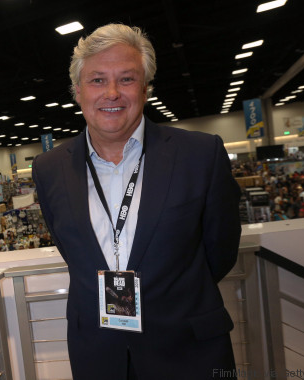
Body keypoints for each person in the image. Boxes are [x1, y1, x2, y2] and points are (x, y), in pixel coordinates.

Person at [32, 24, 241, 379]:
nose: (111, 93)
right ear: (78, 91)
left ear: (145, 89)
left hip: (189, 349)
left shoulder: (200, 155)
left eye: (126, 79)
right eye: (97, 80)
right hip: (97, 355)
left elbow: (220, 251)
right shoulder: (49, 167)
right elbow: (72, 249)